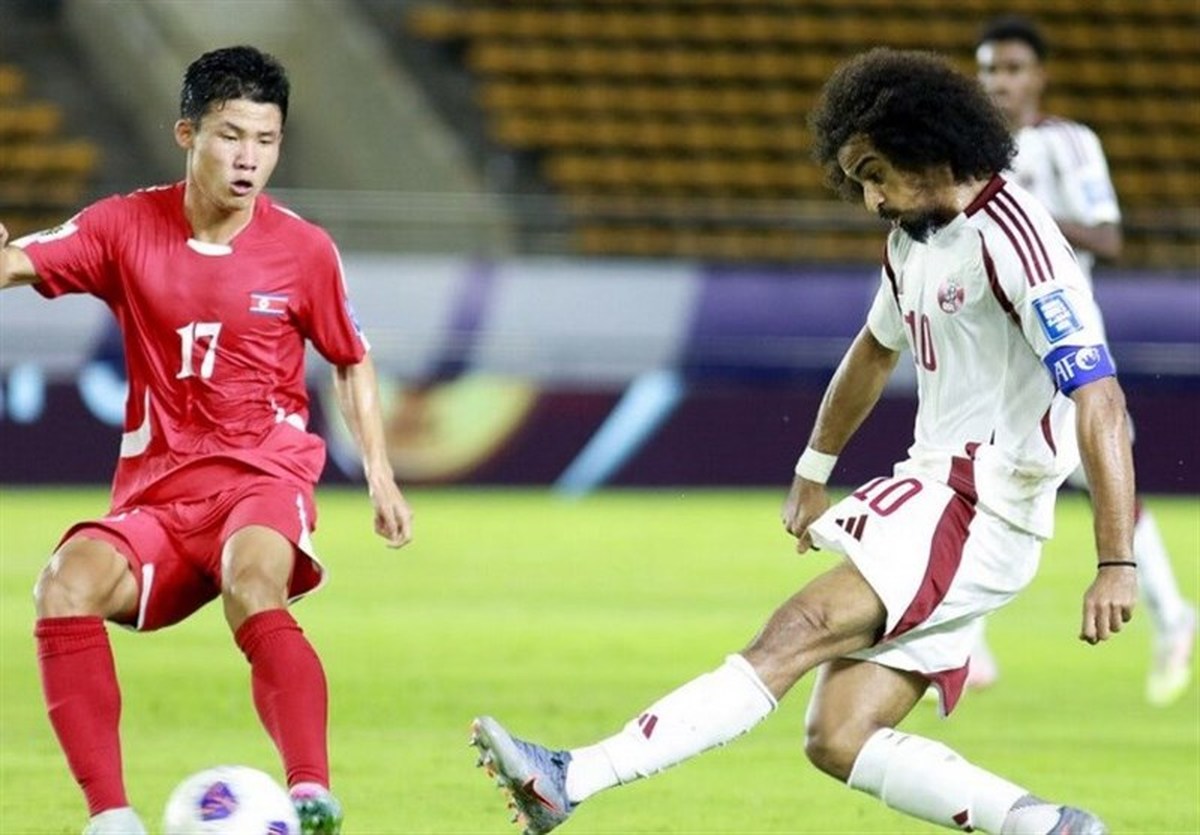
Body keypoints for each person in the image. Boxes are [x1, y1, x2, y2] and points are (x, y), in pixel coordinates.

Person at [469, 48, 1136, 835]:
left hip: (977, 504)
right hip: (943, 493)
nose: (871, 199)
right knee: (839, 734)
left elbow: (1101, 398)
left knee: (796, 631)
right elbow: (873, 350)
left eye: (876, 173)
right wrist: (813, 468)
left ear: (927, 146)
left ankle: (571, 776)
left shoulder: (1017, 240)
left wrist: (1115, 562)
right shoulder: (912, 242)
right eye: (859, 181)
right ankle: (1047, 827)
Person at [0, 46, 413, 835]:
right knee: (63, 583)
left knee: (250, 581)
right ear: (187, 134)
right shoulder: (122, 226)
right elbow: (15, 264)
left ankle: (310, 795)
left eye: (266, 140)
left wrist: (381, 476)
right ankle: (111, 818)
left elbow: (350, 357)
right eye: (231, 136)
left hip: (263, 477)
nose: (249, 158)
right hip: (158, 497)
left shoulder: (304, 251)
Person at [975, 14, 1195, 706]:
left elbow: (1109, 236)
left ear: (1039, 76)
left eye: (1012, 69)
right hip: (998, 345)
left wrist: (1027, 214)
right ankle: (964, 648)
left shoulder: (1068, 143)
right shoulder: (969, 150)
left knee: (1099, 480)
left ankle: (1172, 614)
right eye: (989, 69)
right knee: (982, 472)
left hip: (1065, 334)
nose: (1000, 82)